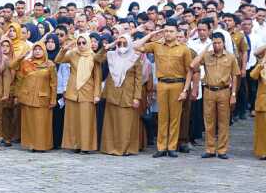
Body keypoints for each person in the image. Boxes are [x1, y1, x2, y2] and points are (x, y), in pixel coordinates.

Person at [137, 24, 195, 157]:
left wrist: (185, 90)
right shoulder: (156, 45)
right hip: (162, 84)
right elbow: (136, 46)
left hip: (178, 84)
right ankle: (161, 147)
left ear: (177, 33)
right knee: (162, 117)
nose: (168, 33)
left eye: (171, 31)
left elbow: (189, 71)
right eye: (166, 31)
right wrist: (151, 35)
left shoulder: (184, 49)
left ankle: (172, 147)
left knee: (175, 117)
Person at [190, 32, 240, 159]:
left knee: (223, 122)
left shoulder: (230, 57)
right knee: (209, 121)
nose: (217, 45)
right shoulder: (207, 56)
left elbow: (235, 76)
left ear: (223, 43)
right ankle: (210, 149)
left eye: (219, 43)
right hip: (209, 91)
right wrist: (206, 48)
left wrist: (233, 94)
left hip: (224, 91)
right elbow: (193, 64)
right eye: (214, 43)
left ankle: (222, 150)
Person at [100, 34, 145, 156]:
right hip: (112, 93)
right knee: (111, 123)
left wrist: (137, 97)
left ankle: (125, 149)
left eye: (125, 43)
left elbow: (138, 79)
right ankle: (110, 148)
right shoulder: (111, 55)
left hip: (128, 95)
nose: (122, 46)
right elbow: (97, 59)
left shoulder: (135, 58)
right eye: (119, 43)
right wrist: (109, 46)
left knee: (125, 123)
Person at [55, 34, 99, 153]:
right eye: (79, 43)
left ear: (88, 43)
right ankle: (75, 145)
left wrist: (97, 94)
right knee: (73, 120)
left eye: (84, 43)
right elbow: (58, 60)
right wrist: (64, 49)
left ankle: (86, 146)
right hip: (72, 91)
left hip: (88, 91)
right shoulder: (73, 54)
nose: (81, 45)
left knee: (86, 121)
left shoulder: (94, 56)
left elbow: (97, 77)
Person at [14, 40, 58, 152]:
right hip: (27, 97)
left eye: (40, 49)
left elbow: (53, 83)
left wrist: (53, 99)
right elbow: (19, 79)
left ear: (44, 51)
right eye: (35, 49)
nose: (37, 51)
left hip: (43, 98)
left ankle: (42, 146)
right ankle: (31, 145)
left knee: (41, 124)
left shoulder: (50, 65)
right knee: (29, 123)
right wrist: (18, 95)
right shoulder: (26, 63)